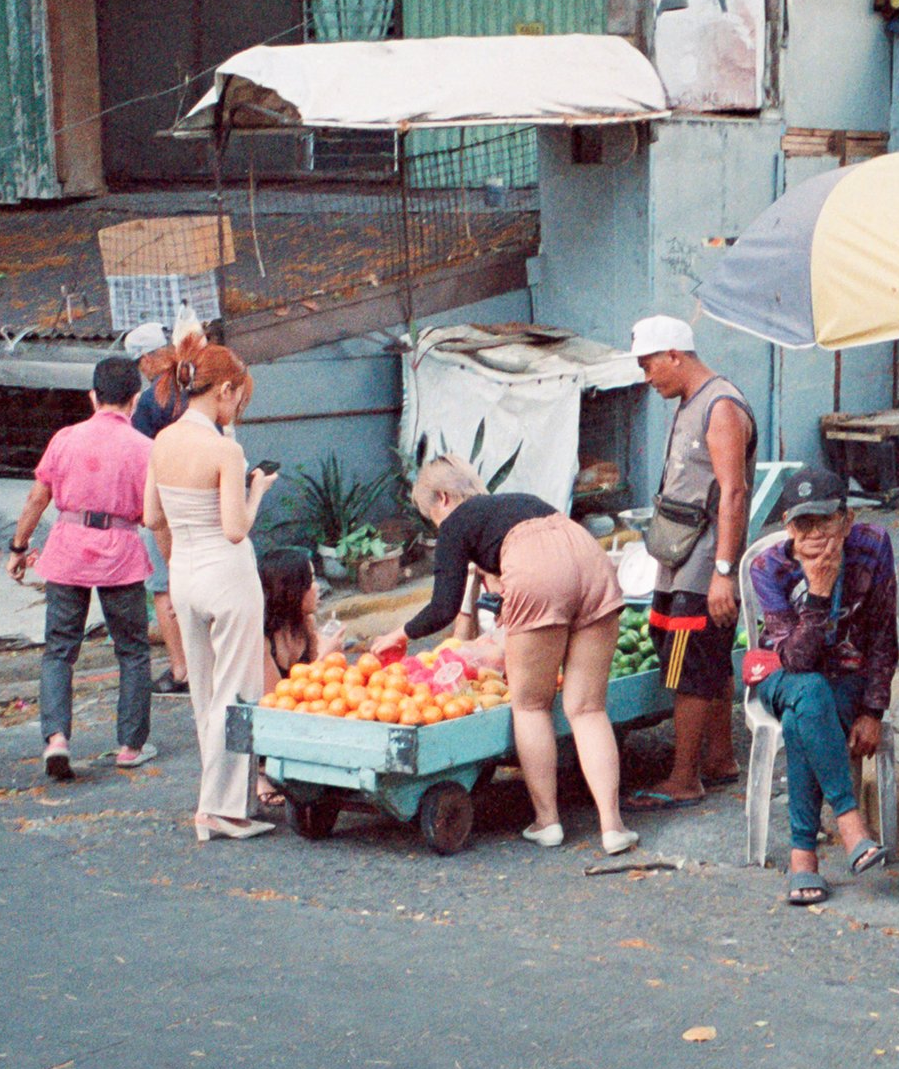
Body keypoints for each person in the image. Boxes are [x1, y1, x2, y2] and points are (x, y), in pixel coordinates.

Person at [371, 457, 639, 855]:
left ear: (443, 498)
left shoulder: (458, 522)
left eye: (432, 517)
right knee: (586, 709)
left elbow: (443, 608)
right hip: (589, 557)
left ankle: (547, 822)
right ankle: (612, 827)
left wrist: (399, 634)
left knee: (530, 705)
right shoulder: (518, 502)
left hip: (540, 574)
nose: (437, 527)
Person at [145, 340, 280, 841]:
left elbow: (151, 516)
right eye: (237, 399)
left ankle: (214, 803)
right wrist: (257, 490)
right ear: (224, 389)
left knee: (204, 692)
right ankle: (221, 809)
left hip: (184, 575)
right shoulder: (226, 449)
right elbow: (235, 527)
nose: (236, 410)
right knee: (238, 691)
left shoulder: (162, 441)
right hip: (227, 573)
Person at [622, 315, 754, 812]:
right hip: (681, 553)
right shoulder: (691, 402)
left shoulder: (719, 406)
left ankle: (684, 776)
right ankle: (719, 759)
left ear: (675, 355)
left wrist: (723, 572)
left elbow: (734, 491)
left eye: (649, 365)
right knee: (708, 656)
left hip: (703, 562)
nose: (647, 377)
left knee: (690, 660)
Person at [748, 466, 895, 904]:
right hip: (778, 677)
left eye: (823, 521)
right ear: (788, 528)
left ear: (847, 521)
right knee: (806, 691)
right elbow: (794, 660)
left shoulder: (873, 547)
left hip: (844, 676)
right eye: (801, 524)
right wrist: (818, 588)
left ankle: (803, 861)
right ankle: (851, 826)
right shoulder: (768, 568)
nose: (812, 535)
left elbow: (885, 635)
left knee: (803, 718)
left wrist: (873, 710)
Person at [8, 355, 158, 782]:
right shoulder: (145, 448)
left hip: (68, 550)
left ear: (93, 396)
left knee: (59, 650)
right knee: (132, 651)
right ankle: (130, 746)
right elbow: (151, 515)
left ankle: (56, 739)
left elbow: (37, 499)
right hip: (120, 555)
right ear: (135, 399)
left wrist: (18, 547)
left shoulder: (65, 438)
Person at [122, 318, 207, 695]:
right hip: (204, 500)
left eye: (140, 362)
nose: (140, 370)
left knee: (164, 587)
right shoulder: (197, 386)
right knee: (202, 580)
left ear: (152, 358)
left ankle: (181, 670)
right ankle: (210, 662)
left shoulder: (150, 401)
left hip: (166, 504)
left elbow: (141, 460)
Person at [255, 547, 344, 808]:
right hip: (272, 724)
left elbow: (320, 685)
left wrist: (331, 658)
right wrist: (323, 656)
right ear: (291, 590)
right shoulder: (262, 640)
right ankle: (261, 773)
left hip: (302, 718)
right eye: (311, 581)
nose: (317, 588)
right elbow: (277, 702)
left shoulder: (305, 623)